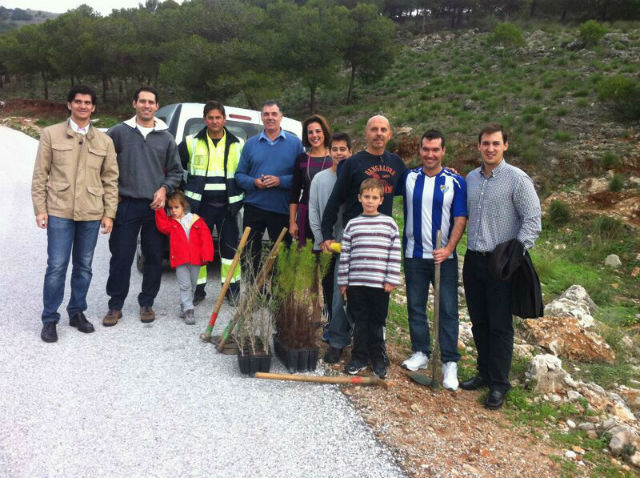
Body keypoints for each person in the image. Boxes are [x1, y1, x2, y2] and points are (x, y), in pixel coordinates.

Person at [461, 123, 541, 409]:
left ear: (505, 145)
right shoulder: (470, 179)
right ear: (479, 146)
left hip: (501, 264)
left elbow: (533, 220)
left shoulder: (517, 180)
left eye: (496, 143)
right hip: (473, 259)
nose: (490, 148)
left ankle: (499, 384)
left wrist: (515, 253)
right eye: (485, 143)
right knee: (479, 321)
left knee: (499, 325)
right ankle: (484, 372)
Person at [32, 85, 119, 343]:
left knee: (84, 267)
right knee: (57, 266)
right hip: (59, 210)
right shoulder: (51, 134)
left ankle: (77, 311)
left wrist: (109, 213)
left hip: (91, 212)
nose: (83, 106)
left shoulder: (104, 141)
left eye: (87, 103)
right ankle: (50, 318)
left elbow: (111, 180)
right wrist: (40, 209)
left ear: (93, 107)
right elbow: (40, 175)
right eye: (78, 102)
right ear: (69, 105)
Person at [103, 86, 183, 327]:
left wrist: (164, 189)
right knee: (121, 257)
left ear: (157, 107)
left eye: (151, 102)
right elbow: (103, 165)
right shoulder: (117, 133)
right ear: (134, 103)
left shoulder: (166, 137)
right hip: (125, 205)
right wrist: (111, 193)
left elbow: (176, 172)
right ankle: (115, 305)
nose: (147, 105)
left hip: (155, 208)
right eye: (143, 101)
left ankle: (147, 301)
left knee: (154, 257)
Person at [397, 130, 468, 391]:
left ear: (443, 151)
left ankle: (450, 361)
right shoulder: (408, 177)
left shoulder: (456, 181)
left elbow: (460, 217)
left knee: (447, 309)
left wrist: (449, 248)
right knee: (415, 306)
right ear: (420, 150)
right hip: (414, 255)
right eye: (426, 149)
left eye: (435, 149)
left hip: (443, 257)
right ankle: (421, 352)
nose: (430, 154)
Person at [178, 101, 244, 306]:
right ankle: (198, 291)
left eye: (218, 117)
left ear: (224, 119)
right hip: (199, 207)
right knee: (198, 250)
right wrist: (181, 194)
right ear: (205, 119)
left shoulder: (238, 143)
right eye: (210, 117)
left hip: (228, 207)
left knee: (230, 252)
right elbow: (174, 167)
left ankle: (231, 291)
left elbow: (245, 171)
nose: (214, 121)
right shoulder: (190, 142)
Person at [338, 178, 401, 379]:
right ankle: (359, 357)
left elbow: (394, 252)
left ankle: (378, 357)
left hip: (379, 284)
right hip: (357, 283)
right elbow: (345, 254)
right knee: (360, 321)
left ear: (381, 200)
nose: (370, 201)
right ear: (360, 198)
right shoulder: (352, 225)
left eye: (375, 197)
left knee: (377, 321)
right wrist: (343, 281)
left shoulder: (389, 224)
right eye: (367, 197)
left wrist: (391, 279)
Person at [235, 100, 304, 276]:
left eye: (274, 114)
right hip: (254, 208)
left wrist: (280, 181)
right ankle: (253, 296)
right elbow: (239, 175)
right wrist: (254, 183)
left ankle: (278, 296)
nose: (270, 118)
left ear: (281, 117)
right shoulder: (250, 144)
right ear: (262, 117)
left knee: (281, 256)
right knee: (251, 254)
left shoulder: (295, 144)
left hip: (281, 209)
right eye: (266, 114)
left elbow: (301, 177)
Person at [321, 115, 407, 254]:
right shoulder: (353, 163)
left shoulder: (396, 162)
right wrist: (327, 235)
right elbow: (335, 200)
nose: (379, 133)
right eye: (374, 129)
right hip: (354, 234)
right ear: (366, 134)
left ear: (389, 135)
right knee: (347, 274)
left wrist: (445, 172)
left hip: (382, 235)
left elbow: (415, 182)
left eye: (383, 129)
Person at [308, 133, 352, 363]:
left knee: (344, 290)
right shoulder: (320, 179)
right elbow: (314, 210)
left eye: (343, 149)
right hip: (325, 244)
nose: (339, 153)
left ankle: (344, 330)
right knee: (328, 287)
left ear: (350, 152)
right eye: (335, 149)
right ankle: (331, 326)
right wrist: (320, 239)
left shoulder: (353, 178)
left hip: (347, 245)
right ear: (329, 152)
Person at [155, 191, 214, 325]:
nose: (173, 211)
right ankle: (189, 310)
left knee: (193, 284)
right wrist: (159, 209)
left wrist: (206, 255)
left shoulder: (196, 220)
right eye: (170, 208)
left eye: (176, 207)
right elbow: (162, 226)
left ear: (184, 207)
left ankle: (185, 305)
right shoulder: (171, 223)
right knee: (185, 285)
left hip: (195, 260)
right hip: (180, 260)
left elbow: (206, 239)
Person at [289, 114, 332, 244]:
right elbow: (294, 192)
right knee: (306, 257)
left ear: (324, 132)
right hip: (305, 215)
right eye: (310, 132)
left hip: (329, 215)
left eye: (318, 131)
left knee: (327, 259)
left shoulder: (335, 158)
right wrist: (292, 222)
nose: (314, 135)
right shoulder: (301, 159)